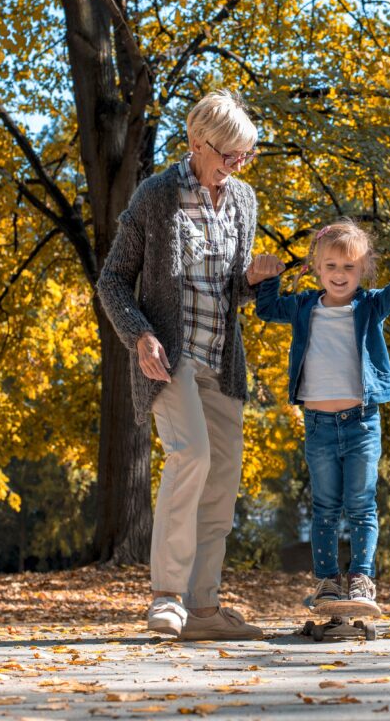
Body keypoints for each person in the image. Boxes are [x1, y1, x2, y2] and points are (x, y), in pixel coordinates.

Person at [97, 90, 268, 640]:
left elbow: (233, 288)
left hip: (222, 359)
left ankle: (202, 607)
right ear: (198, 144)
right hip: (170, 361)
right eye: (229, 155)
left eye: (246, 156)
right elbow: (114, 280)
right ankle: (167, 596)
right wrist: (139, 335)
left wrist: (256, 281)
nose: (237, 165)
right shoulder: (156, 196)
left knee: (220, 480)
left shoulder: (243, 200)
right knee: (190, 454)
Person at [248, 218, 390, 615]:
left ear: (363, 269)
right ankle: (328, 581)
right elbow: (265, 309)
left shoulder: (371, 305)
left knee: (361, 504)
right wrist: (268, 277)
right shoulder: (302, 307)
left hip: (362, 422)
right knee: (325, 508)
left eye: (349, 267)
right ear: (316, 267)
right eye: (331, 266)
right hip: (317, 426)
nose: (339, 275)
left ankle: (362, 579)